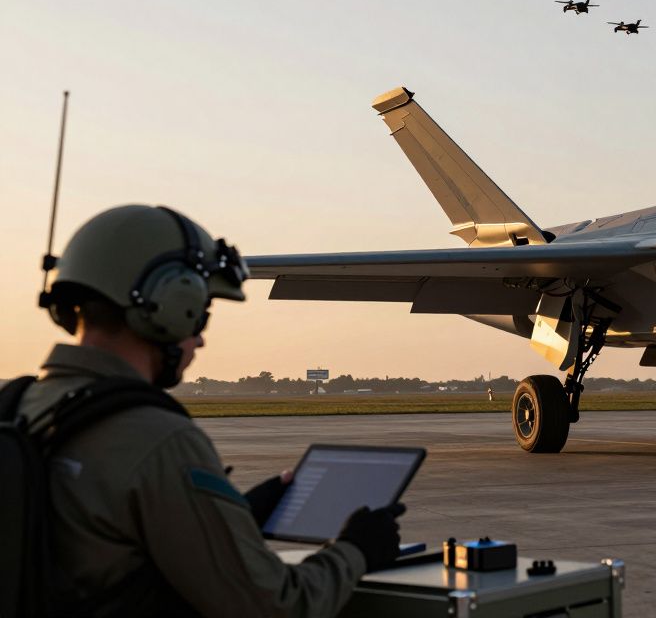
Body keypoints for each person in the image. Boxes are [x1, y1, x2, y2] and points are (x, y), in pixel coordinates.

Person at [15, 205, 405, 616]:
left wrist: (234, 519)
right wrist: (355, 550)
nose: (198, 340)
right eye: (199, 316)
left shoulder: (25, 409)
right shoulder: (159, 439)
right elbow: (278, 606)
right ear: (168, 307)